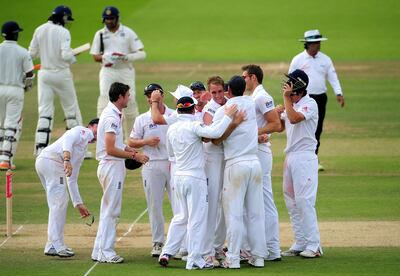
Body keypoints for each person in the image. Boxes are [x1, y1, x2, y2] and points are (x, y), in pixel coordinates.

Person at [158, 96, 239, 270]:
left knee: (181, 216)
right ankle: (194, 259)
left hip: (178, 176)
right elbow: (216, 134)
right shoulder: (194, 125)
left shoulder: (171, 129)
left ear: (178, 110)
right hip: (194, 177)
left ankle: (167, 251)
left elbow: (171, 154)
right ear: (194, 110)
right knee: (197, 218)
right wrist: (228, 116)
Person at [212, 76, 266, 269]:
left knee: (234, 214)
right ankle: (258, 257)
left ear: (227, 91)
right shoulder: (251, 104)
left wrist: (231, 122)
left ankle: (233, 258)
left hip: (236, 164)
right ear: (244, 89)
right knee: (255, 213)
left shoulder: (223, 111)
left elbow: (215, 139)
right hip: (254, 163)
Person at [92, 82, 149, 263]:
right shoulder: (111, 117)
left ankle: (98, 251)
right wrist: (135, 157)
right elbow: (110, 149)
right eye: (127, 95)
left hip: (112, 165)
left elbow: (118, 145)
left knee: (108, 209)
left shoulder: (115, 114)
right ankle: (106, 251)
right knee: (111, 210)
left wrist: (134, 153)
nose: (129, 97)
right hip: (111, 165)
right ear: (120, 97)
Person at [36, 118, 99, 257]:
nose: (99, 134)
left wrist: (78, 203)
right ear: (92, 126)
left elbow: (72, 179)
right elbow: (68, 138)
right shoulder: (83, 131)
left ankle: (51, 244)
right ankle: (57, 245)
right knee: (59, 203)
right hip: (52, 161)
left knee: (57, 203)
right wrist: (66, 159)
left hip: (45, 162)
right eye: (99, 129)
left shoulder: (82, 149)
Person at [278, 69, 323, 258]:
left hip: (305, 157)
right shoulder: (292, 104)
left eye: (291, 87)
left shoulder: (309, 103)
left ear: (299, 89)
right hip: (291, 157)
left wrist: (286, 101)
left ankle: (314, 245)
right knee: (291, 202)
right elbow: (281, 124)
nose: (288, 89)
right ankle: (301, 242)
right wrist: (276, 111)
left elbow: (295, 119)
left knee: (304, 201)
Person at [29, 5, 84, 155]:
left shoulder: (39, 29)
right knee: (71, 110)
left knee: (45, 111)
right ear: (63, 18)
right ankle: (78, 149)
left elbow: (32, 54)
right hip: (61, 74)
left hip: (44, 74)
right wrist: (73, 58)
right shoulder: (63, 32)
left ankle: (40, 148)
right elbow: (66, 55)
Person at [241, 64, 282, 261]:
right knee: (254, 201)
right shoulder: (254, 97)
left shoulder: (262, 96)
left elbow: (276, 124)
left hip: (261, 153)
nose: (243, 81)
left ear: (253, 78)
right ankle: (259, 247)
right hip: (253, 151)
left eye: (244, 77)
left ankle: (273, 249)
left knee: (265, 199)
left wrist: (253, 134)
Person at [128, 83, 174, 257]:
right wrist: (146, 142)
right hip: (151, 164)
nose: (150, 99)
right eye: (147, 96)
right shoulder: (142, 119)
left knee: (178, 204)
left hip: (171, 163)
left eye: (152, 95)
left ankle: (181, 242)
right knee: (154, 205)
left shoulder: (172, 115)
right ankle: (158, 242)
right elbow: (131, 141)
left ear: (161, 95)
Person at [289, 29, 345, 171]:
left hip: (320, 98)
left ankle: (314, 157)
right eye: (315, 43)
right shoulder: (298, 60)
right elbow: (290, 80)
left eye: (319, 42)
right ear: (307, 44)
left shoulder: (325, 59)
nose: (318, 45)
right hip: (301, 98)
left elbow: (332, 76)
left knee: (317, 128)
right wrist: (289, 97)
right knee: (301, 127)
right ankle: (300, 155)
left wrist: (338, 93)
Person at [90, 6, 146, 140]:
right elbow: (95, 56)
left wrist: (127, 57)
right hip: (108, 71)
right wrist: (104, 57)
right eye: (106, 19)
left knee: (130, 101)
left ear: (117, 18)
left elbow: (142, 53)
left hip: (125, 71)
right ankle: (103, 137)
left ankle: (132, 139)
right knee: (105, 101)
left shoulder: (127, 32)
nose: (109, 21)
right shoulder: (100, 34)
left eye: (111, 18)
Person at [201, 76, 228, 265]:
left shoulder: (229, 103)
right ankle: (207, 249)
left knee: (227, 204)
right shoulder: (209, 108)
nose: (218, 96)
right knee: (211, 204)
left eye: (220, 91)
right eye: (214, 92)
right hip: (212, 158)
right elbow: (211, 134)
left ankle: (218, 247)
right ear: (209, 92)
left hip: (228, 157)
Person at [0, 21, 34, 170]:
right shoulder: (22, 52)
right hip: (15, 91)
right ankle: (5, 159)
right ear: (15, 34)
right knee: (11, 124)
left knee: (0, 124)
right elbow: (30, 74)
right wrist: (27, 86)